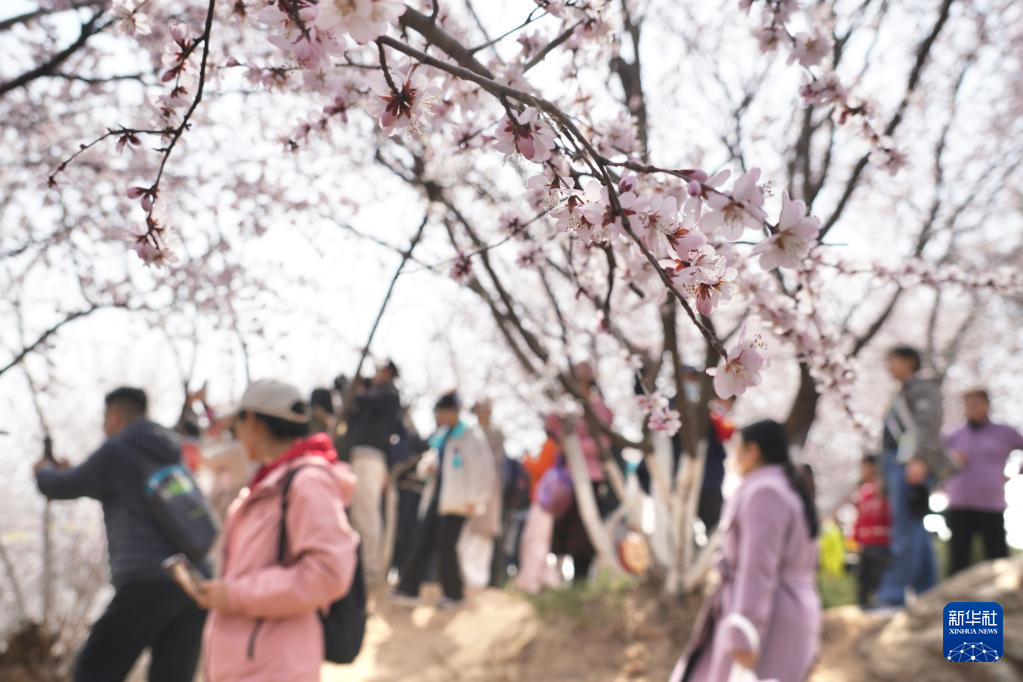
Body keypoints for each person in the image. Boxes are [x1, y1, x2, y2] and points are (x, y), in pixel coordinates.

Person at [33, 387, 207, 682]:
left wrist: (43, 472)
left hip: (147, 578)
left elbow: (60, 487)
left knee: (93, 671)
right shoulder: (169, 446)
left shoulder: (117, 450)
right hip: (193, 579)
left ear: (113, 417)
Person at [196, 379, 358, 682]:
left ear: (254, 422)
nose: (237, 432)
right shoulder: (269, 485)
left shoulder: (307, 482)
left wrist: (235, 595)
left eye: (238, 423)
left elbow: (328, 572)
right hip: (247, 665)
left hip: (276, 667)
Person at [670, 420, 820, 682]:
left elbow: (757, 568)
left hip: (767, 619)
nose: (732, 456)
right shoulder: (785, 487)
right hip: (786, 613)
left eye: (736, 448)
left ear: (752, 451)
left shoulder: (765, 492)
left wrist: (744, 630)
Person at [394, 392, 496, 607]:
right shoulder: (441, 437)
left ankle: (454, 593)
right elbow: (426, 464)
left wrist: (476, 499)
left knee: (446, 546)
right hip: (436, 498)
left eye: (442, 412)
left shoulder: (471, 436)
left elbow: (484, 472)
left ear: (453, 412)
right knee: (421, 541)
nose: (439, 417)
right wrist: (427, 469)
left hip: (458, 502)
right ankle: (408, 588)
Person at [875, 346, 952, 607]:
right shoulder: (902, 392)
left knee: (905, 531)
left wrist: (919, 459)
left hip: (909, 463)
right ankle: (926, 590)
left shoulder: (923, 388)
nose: (889, 367)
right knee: (915, 529)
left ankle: (893, 594)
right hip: (897, 463)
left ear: (909, 361)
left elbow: (928, 424)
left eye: (893, 361)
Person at [942, 388, 1023, 575]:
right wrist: (951, 461)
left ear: (987, 405)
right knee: (958, 560)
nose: (973, 408)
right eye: (969, 404)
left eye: (977, 403)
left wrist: (1015, 473)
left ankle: (1003, 594)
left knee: (998, 558)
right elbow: (937, 463)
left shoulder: (1004, 433)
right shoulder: (953, 435)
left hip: (991, 504)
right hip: (959, 503)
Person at [345, 360, 403, 584]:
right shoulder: (373, 393)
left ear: (388, 372)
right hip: (358, 457)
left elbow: (364, 401)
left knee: (367, 514)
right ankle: (360, 566)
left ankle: (371, 568)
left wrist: (361, 389)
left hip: (372, 458)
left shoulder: (390, 395)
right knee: (357, 514)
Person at [458, 400, 506, 588]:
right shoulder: (469, 433)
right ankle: (465, 575)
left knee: (484, 534)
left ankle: (479, 578)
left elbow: (496, 462)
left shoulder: (496, 433)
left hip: (490, 489)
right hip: (467, 487)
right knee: (466, 533)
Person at [852, 455, 890, 609]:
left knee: (878, 578)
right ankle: (863, 605)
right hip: (865, 544)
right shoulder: (863, 492)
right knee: (863, 579)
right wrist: (856, 537)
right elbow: (860, 517)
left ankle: (878, 604)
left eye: (865, 467)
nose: (863, 471)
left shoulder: (885, 490)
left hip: (881, 545)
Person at [697, 397, 736, 533]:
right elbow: (727, 432)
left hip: (711, 476)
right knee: (713, 520)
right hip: (708, 478)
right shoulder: (713, 413)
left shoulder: (715, 413)